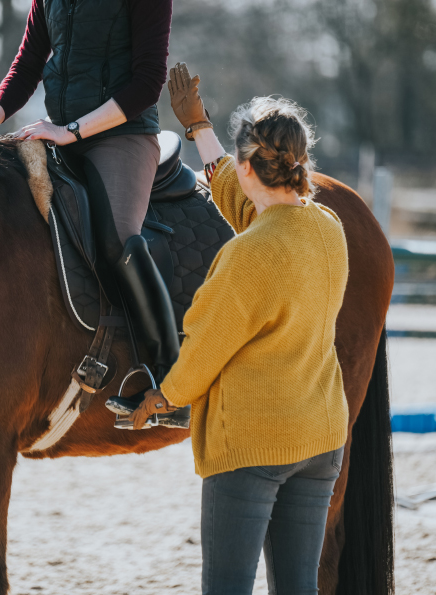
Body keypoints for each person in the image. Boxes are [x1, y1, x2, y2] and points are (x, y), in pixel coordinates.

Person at [129, 63, 351, 594]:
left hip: (253, 445)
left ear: (249, 165)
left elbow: (204, 347)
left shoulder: (247, 254)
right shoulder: (328, 228)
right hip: (320, 441)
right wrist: (197, 126)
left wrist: (165, 395)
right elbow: (246, 198)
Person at [0, 1, 190, 426]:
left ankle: (171, 379)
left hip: (122, 135)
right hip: (60, 133)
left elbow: (148, 82)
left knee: (119, 239)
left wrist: (69, 131)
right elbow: (27, 63)